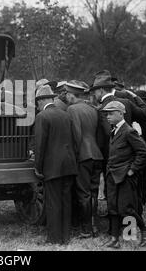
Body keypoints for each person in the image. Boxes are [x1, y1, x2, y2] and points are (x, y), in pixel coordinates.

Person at [101, 101, 146, 248]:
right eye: (106, 114)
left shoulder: (128, 131)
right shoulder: (115, 130)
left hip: (124, 177)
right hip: (112, 175)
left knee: (126, 209)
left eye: (111, 113)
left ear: (121, 113)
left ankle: (145, 229)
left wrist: (132, 169)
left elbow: (144, 152)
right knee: (113, 208)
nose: (108, 116)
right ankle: (115, 239)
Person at [33, 84, 78, 245]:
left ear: (43, 100)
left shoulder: (42, 117)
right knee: (66, 201)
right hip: (69, 164)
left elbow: (40, 146)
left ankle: (53, 238)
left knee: (53, 203)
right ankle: (65, 237)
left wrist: (37, 168)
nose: (37, 105)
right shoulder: (66, 114)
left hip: (52, 167)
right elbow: (74, 140)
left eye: (37, 101)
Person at [65, 80, 103, 238]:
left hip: (83, 156)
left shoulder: (72, 109)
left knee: (84, 193)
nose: (66, 97)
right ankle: (94, 227)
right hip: (97, 155)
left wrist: (73, 155)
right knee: (93, 192)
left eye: (67, 94)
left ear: (72, 96)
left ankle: (86, 230)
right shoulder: (92, 109)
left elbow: (77, 135)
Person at [134, 90, 146, 207]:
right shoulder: (137, 116)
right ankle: (139, 199)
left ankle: (143, 199)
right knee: (138, 177)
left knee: (143, 177)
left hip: (143, 150)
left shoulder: (144, 118)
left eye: (145, 101)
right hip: (138, 151)